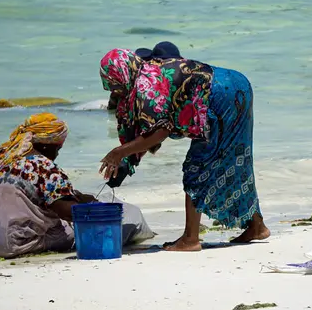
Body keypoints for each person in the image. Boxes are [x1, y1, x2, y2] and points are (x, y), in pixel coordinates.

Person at [99, 47, 270, 251]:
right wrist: (128, 160)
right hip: (236, 85)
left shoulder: (147, 85)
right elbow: (148, 132)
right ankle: (256, 226)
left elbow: (160, 131)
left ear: (123, 74)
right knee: (234, 160)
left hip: (219, 97)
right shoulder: (146, 73)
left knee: (196, 168)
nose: (114, 91)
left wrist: (119, 153)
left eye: (115, 84)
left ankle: (190, 239)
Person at [0, 113, 153, 258]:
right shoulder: (45, 168)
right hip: (4, 243)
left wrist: (77, 195)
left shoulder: (1, 157)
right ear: (46, 145)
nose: (57, 154)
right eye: (58, 148)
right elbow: (69, 213)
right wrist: (91, 206)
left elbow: (32, 192)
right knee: (127, 215)